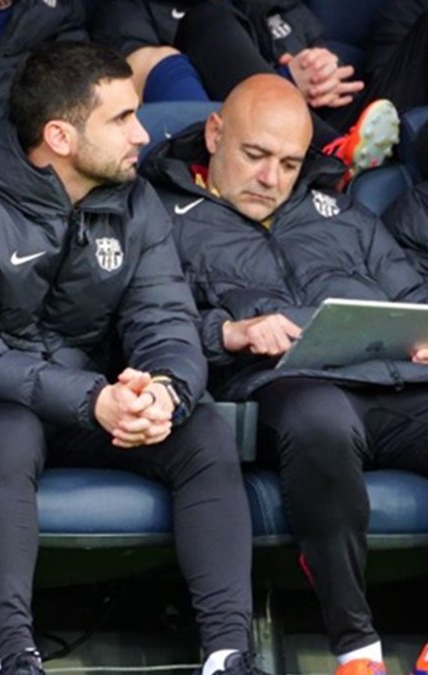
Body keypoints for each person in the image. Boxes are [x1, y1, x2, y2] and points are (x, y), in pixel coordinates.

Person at [0, 41, 262, 675]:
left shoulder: (136, 201)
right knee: (8, 433)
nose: (142, 134)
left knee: (201, 430)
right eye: (122, 119)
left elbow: (166, 320)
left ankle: (228, 655)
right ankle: (15, 658)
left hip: (99, 400)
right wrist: (92, 399)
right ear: (59, 136)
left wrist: (163, 391)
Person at [140, 73, 428, 675]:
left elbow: (410, 290)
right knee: (317, 418)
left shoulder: (337, 208)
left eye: (290, 164)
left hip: (393, 377)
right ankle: (357, 649)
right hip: (282, 386)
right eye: (255, 155)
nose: (271, 178)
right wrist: (230, 332)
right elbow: (146, 323)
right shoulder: (158, 213)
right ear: (215, 134)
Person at [92, 0, 401, 180]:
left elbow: (319, 51)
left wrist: (321, 70)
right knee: (208, 17)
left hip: (316, 121)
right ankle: (331, 155)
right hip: (218, 147)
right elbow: (125, 82)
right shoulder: (128, 12)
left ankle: (334, 157)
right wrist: (284, 82)